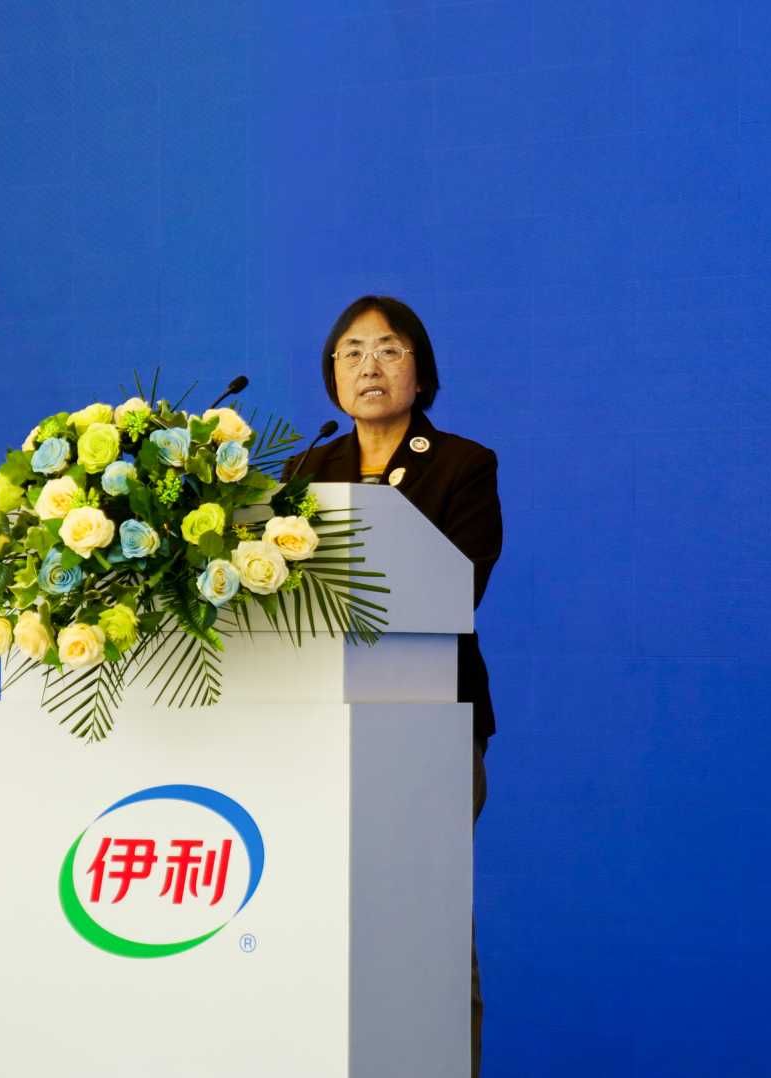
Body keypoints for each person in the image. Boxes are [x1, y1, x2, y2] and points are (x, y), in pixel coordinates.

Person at [280, 294, 502, 1078]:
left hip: (430, 724)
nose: (368, 366)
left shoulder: (463, 466)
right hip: (316, 724)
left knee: (426, 926)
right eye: (351, 352)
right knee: (324, 923)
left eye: (387, 349)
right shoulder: (305, 470)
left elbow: (458, 583)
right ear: (332, 374)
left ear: (420, 371)